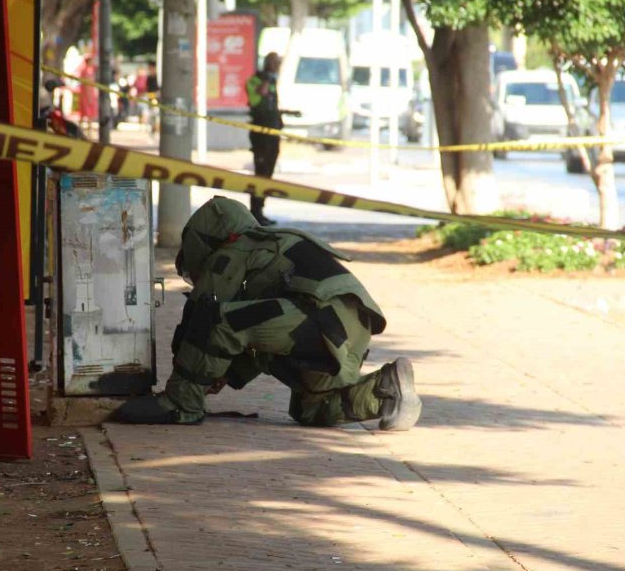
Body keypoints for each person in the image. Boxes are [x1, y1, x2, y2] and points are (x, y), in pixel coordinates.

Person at [116, 197, 422, 430]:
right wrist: (227, 373)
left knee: (218, 319)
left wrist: (184, 382)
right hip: (347, 332)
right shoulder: (273, 242)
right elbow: (260, 340)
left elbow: (204, 311)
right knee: (311, 410)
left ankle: (180, 405)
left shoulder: (237, 248)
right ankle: (385, 390)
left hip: (317, 318)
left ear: (205, 240)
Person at [245, 52, 283, 225]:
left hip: (273, 132)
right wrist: (267, 79)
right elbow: (259, 95)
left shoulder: (273, 81)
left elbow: (271, 103)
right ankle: (255, 212)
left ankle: (260, 210)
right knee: (260, 172)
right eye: (275, 64)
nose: (277, 67)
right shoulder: (255, 80)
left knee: (268, 173)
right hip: (260, 135)